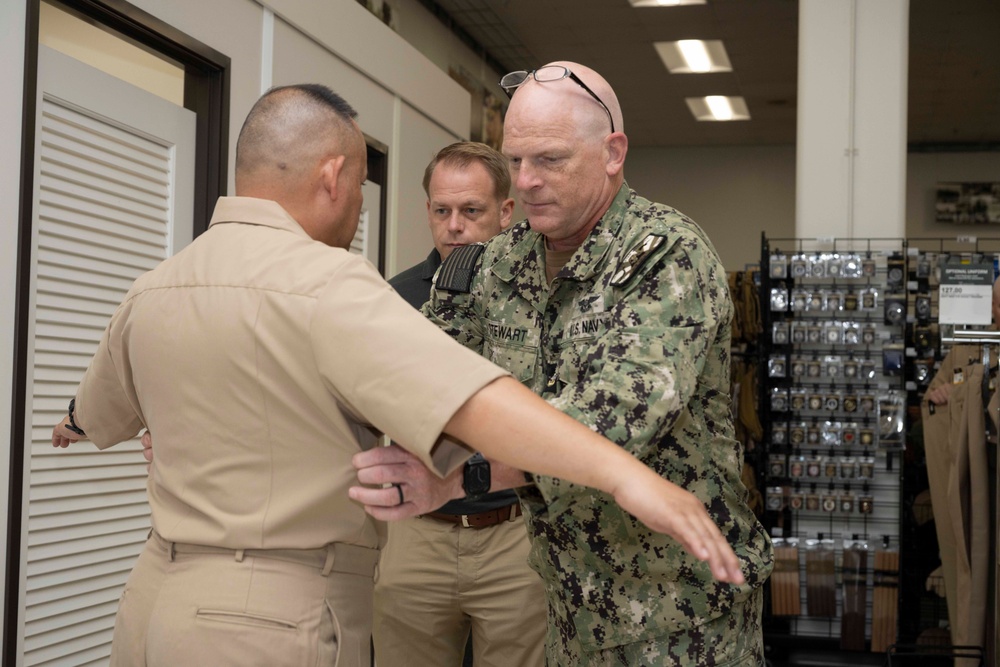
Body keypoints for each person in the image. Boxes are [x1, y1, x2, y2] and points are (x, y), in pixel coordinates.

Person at [50, 83, 744, 667]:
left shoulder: (154, 285)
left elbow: (84, 420)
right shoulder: (327, 284)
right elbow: (472, 399)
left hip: (150, 605)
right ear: (332, 177)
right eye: (359, 180)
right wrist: (625, 473)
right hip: (265, 617)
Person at [353, 62, 773, 665]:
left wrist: (457, 478)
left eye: (548, 160)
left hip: (677, 615)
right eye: (515, 161)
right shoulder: (497, 264)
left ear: (612, 153)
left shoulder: (666, 256)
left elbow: (605, 424)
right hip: (567, 608)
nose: (524, 182)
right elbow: (432, 386)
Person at [373, 142, 546, 667]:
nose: (455, 226)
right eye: (442, 211)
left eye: (471, 211)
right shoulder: (393, 299)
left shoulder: (541, 296)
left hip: (513, 535)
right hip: (417, 536)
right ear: (427, 211)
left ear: (505, 212)